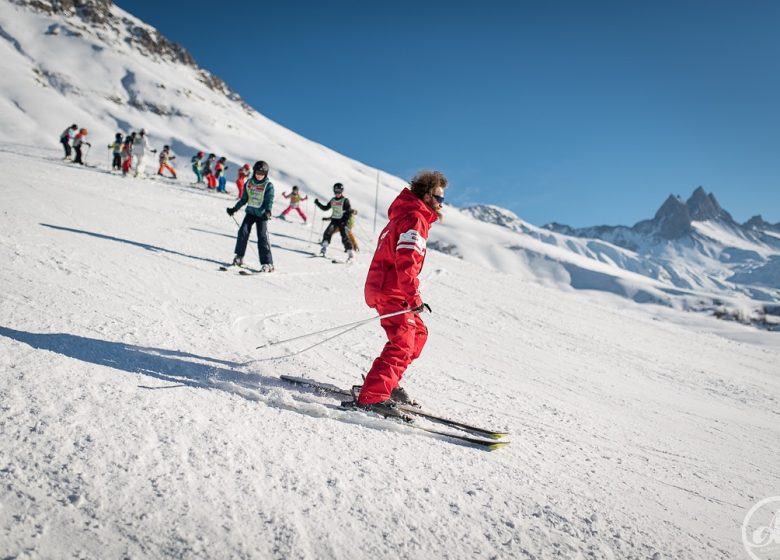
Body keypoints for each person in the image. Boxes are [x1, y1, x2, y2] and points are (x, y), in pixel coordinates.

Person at [344, 170, 447, 417]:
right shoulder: (414, 218)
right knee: (402, 341)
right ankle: (373, 396)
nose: (442, 204)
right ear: (426, 195)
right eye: (439, 198)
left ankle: (387, 384)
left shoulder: (408, 216)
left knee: (418, 334)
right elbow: (406, 261)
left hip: (388, 286)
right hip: (391, 288)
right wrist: (413, 297)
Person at [226, 161, 275, 272]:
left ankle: (268, 263)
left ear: (266, 174)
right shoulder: (249, 183)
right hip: (250, 212)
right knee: (243, 232)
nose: (259, 175)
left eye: (262, 173)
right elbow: (244, 199)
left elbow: (269, 200)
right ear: (254, 172)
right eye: (258, 172)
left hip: (262, 215)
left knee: (262, 237)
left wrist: (268, 211)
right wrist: (235, 208)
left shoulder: (268, 186)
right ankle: (239, 257)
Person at [314, 183, 355, 262]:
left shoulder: (345, 200)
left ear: (342, 191)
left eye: (339, 191)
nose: (337, 193)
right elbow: (325, 208)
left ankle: (351, 255)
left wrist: (345, 221)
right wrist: (317, 203)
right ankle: (323, 250)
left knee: (344, 236)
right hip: (334, 220)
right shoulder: (333, 200)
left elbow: (349, 212)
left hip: (342, 221)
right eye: (336, 191)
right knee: (327, 233)